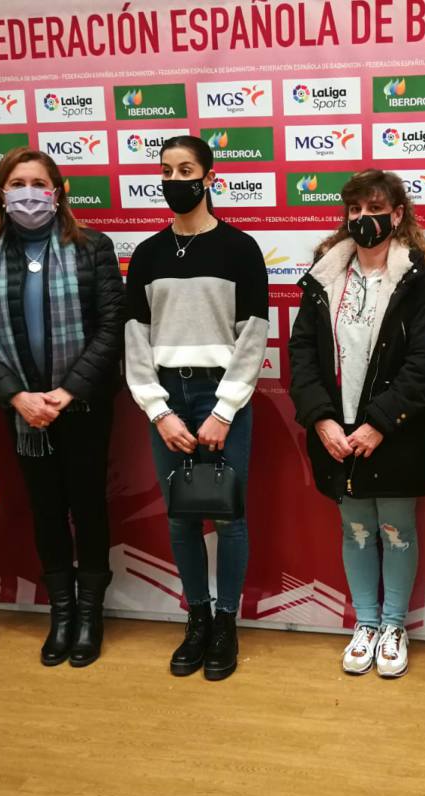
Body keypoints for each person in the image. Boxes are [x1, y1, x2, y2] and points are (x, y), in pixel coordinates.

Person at [0, 148, 124, 668]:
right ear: (0, 193)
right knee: (46, 511)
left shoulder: (92, 248)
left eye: (37, 182)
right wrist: (17, 396)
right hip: (23, 411)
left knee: (88, 507)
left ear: (58, 192)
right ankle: (61, 614)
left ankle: (90, 613)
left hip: (81, 407)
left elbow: (111, 326)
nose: (27, 192)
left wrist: (69, 390)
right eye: (16, 183)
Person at [124, 135, 269, 682]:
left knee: (230, 518)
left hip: (220, 396)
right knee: (182, 518)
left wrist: (224, 410)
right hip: (167, 398)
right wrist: (158, 411)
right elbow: (135, 341)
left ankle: (227, 622)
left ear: (210, 177)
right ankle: (198, 618)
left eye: (186, 170)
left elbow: (253, 337)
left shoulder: (240, 249)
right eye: (166, 171)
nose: (174, 180)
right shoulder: (147, 255)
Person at [288, 170, 425, 677]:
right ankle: (367, 623)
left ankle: (394, 624)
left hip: (393, 431)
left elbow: (424, 364)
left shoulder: (417, 279)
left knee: (396, 529)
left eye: (374, 209)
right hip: (338, 432)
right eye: (354, 210)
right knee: (355, 530)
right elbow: (303, 355)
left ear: (397, 216)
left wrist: (378, 423)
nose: (363, 219)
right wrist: (321, 420)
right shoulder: (325, 275)